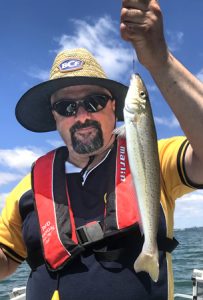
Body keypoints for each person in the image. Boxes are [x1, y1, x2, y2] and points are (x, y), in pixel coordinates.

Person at [0, 0, 203, 299]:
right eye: (66, 107)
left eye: (93, 102)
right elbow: (6, 258)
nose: (81, 116)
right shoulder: (28, 189)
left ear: (113, 107)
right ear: (55, 117)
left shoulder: (154, 157)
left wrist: (161, 61)